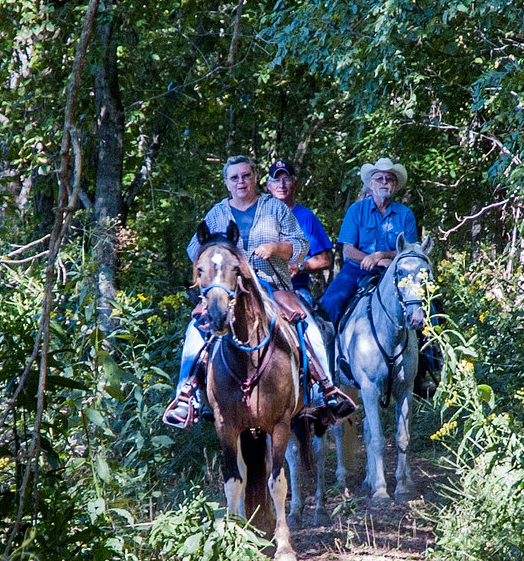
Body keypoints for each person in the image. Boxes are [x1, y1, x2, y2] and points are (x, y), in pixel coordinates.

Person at [162, 154, 357, 430]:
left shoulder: (274, 208)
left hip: (272, 285)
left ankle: (325, 391)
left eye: (246, 176)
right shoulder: (216, 214)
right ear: (227, 183)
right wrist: (219, 257)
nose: (240, 182)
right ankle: (186, 396)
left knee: (308, 324)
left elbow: (300, 244)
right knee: (196, 328)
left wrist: (275, 249)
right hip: (227, 291)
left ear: (255, 178)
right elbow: (195, 249)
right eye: (234, 178)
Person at [320, 157, 421, 323]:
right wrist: (377, 261)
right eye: (379, 178)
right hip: (356, 270)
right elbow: (348, 250)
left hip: (395, 271)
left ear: (395, 185)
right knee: (330, 303)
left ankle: (431, 347)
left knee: (427, 305)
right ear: (371, 184)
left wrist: (380, 256)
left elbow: (409, 252)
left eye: (389, 179)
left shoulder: (405, 214)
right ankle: (327, 348)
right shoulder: (356, 210)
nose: (384, 182)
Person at [263, 159, 334, 294]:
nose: (281, 185)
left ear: (295, 184)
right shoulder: (258, 215)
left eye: (286, 180)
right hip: (261, 289)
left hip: (294, 289)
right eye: (276, 180)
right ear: (268, 185)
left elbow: (324, 261)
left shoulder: (306, 217)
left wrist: (299, 266)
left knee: (308, 314)